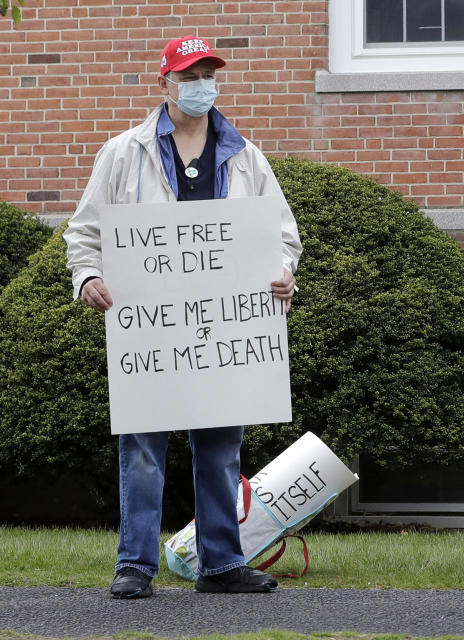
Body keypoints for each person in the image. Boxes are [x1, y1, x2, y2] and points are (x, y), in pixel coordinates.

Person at [63, 36, 303, 599]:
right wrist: (87, 277)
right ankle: (136, 566)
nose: (201, 86)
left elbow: (281, 234)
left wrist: (284, 273)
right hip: (150, 335)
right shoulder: (124, 152)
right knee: (142, 449)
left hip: (222, 335)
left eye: (208, 74)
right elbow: (85, 231)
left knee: (221, 450)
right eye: (189, 76)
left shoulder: (246, 155)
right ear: (164, 83)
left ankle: (221, 565)